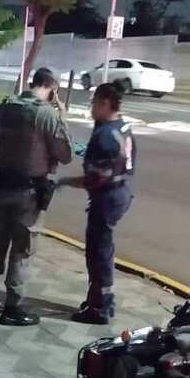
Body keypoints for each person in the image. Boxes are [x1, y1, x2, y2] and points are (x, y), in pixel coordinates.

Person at [0, 67, 73, 326]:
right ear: (53, 89)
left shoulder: (8, 106)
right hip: (29, 192)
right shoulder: (46, 114)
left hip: (2, 186)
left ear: (33, 83)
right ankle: (13, 306)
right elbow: (66, 154)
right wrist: (62, 118)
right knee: (22, 248)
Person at [60, 83, 136, 325]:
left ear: (104, 103)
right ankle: (98, 298)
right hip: (122, 191)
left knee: (98, 254)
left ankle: (100, 308)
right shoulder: (121, 126)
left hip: (107, 197)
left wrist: (65, 181)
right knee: (103, 250)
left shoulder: (104, 135)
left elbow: (96, 178)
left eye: (93, 103)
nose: (91, 108)